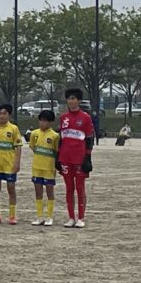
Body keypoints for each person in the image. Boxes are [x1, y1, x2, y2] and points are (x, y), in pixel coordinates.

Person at [58, 88, 94, 228]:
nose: (71, 101)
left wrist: (88, 157)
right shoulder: (63, 118)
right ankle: (71, 217)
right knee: (69, 188)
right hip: (65, 158)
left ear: (79, 101)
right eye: (69, 98)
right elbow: (61, 138)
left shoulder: (86, 117)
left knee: (80, 188)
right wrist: (58, 157)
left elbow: (89, 138)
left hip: (80, 158)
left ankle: (81, 218)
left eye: (73, 98)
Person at [29, 109, 60, 226]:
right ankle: (39, 216)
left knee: (49, 192)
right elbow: (33, 147)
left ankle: (49, 217)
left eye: (46, 121)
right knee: (38, 192)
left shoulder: (55, 136)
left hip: (49, 168)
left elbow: (57, 151)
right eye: (41, 120)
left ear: (51, 122)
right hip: (37, 168)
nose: (42, 123)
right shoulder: (34, 134)